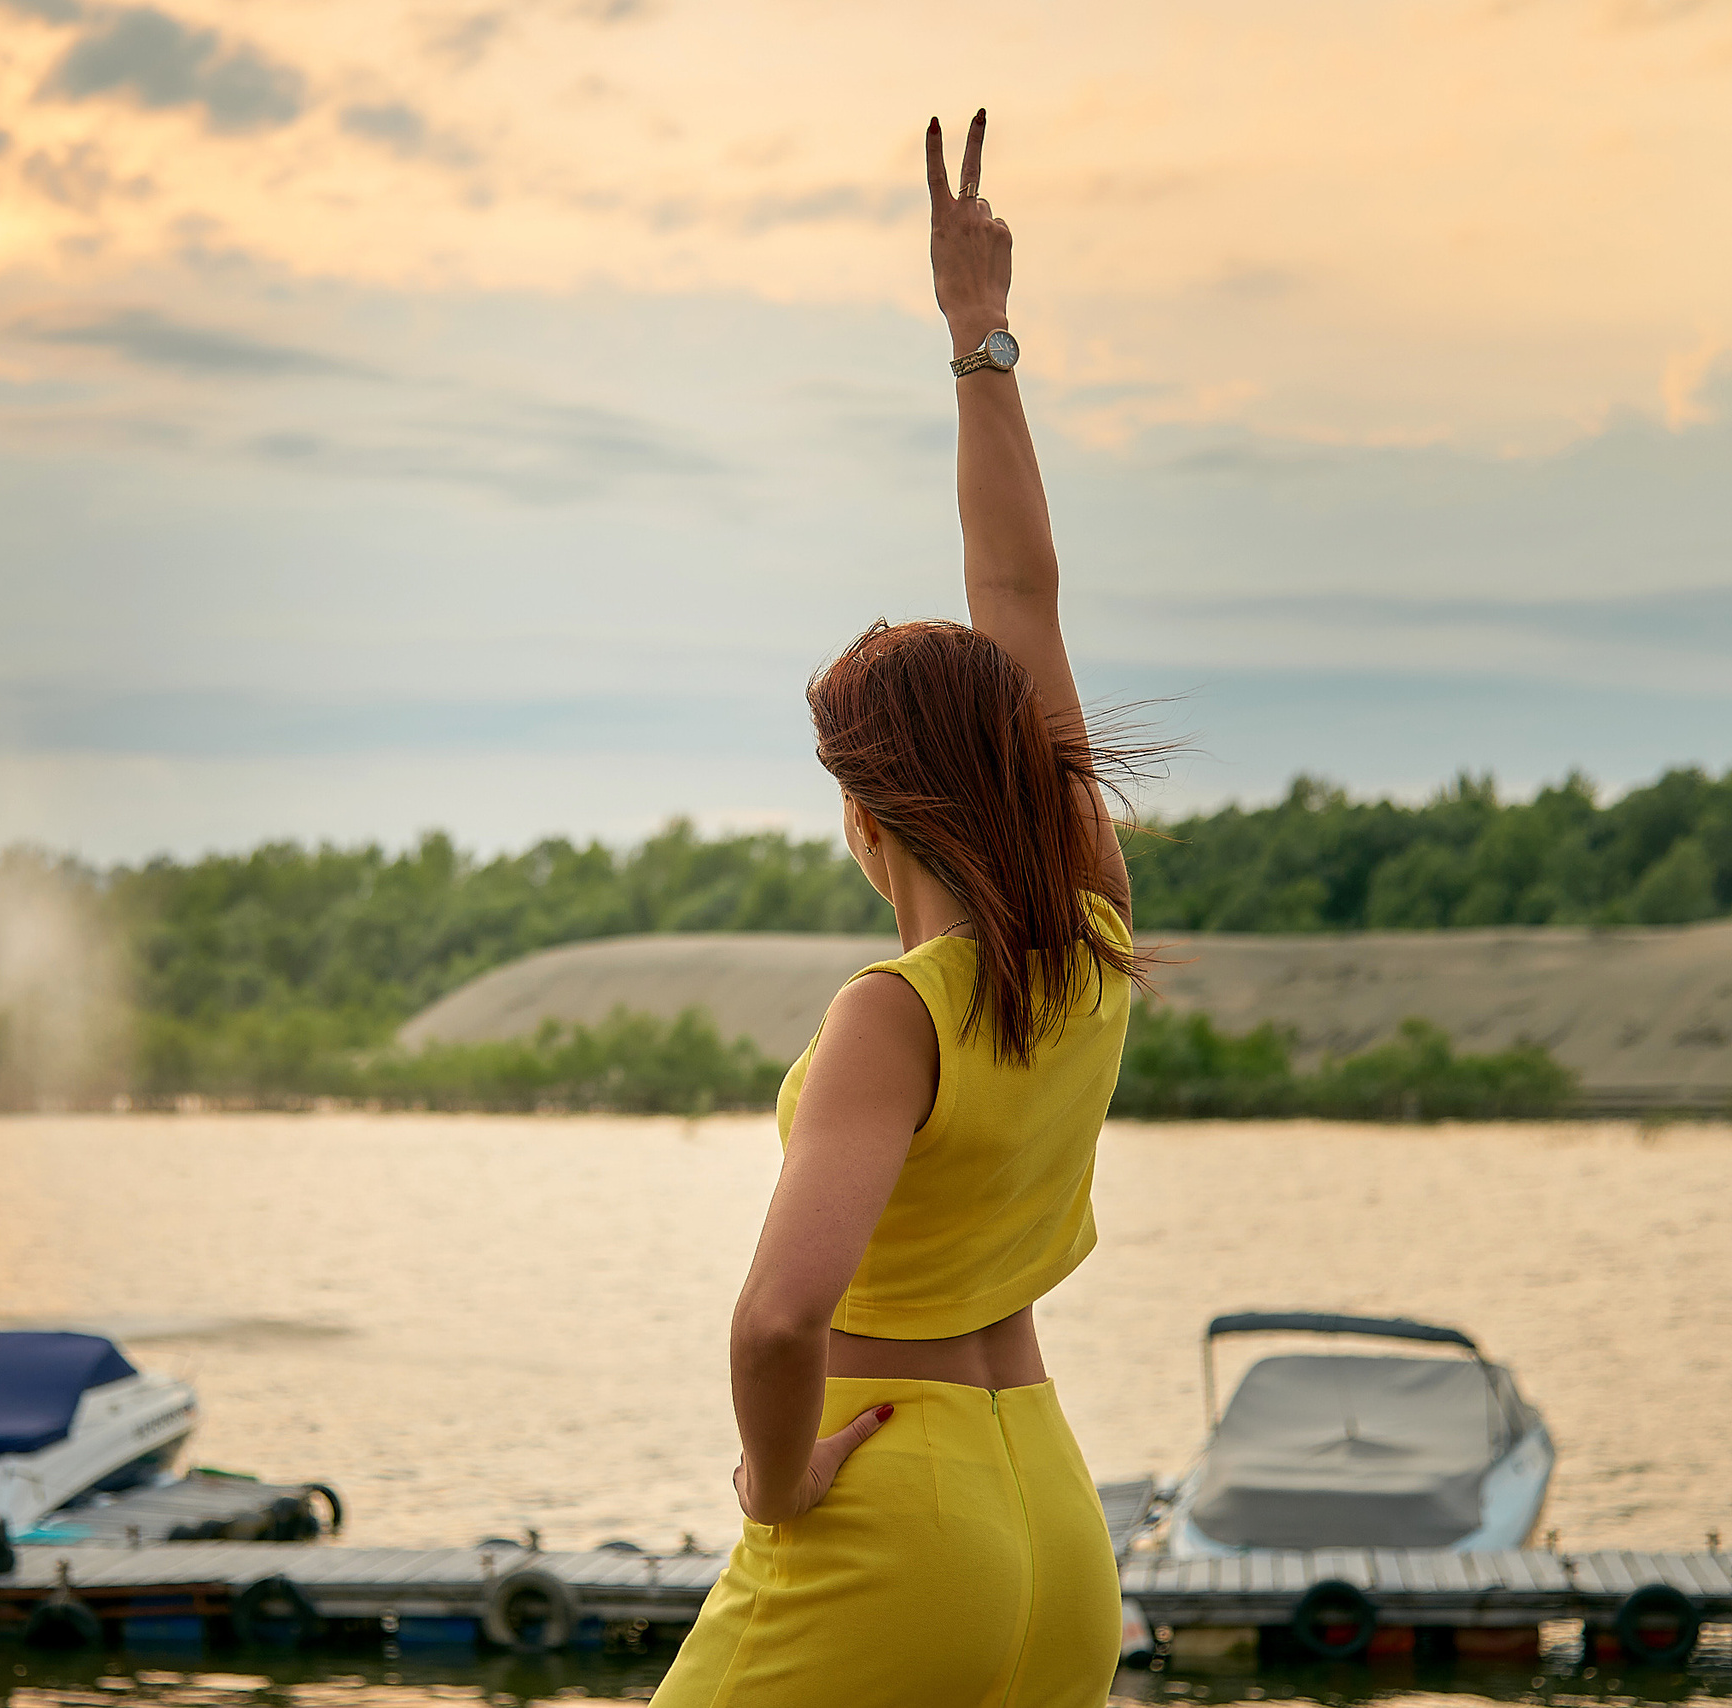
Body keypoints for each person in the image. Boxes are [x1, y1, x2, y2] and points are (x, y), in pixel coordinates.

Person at [649, 111, 1146, 1707]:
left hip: (890, 1511)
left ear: (865, 809)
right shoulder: (1090, 936)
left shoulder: (895, 1010)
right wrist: (979, 344)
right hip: (1049, 1512)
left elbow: (783, 1315)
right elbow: (1025, 601)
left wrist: (775, 1483)